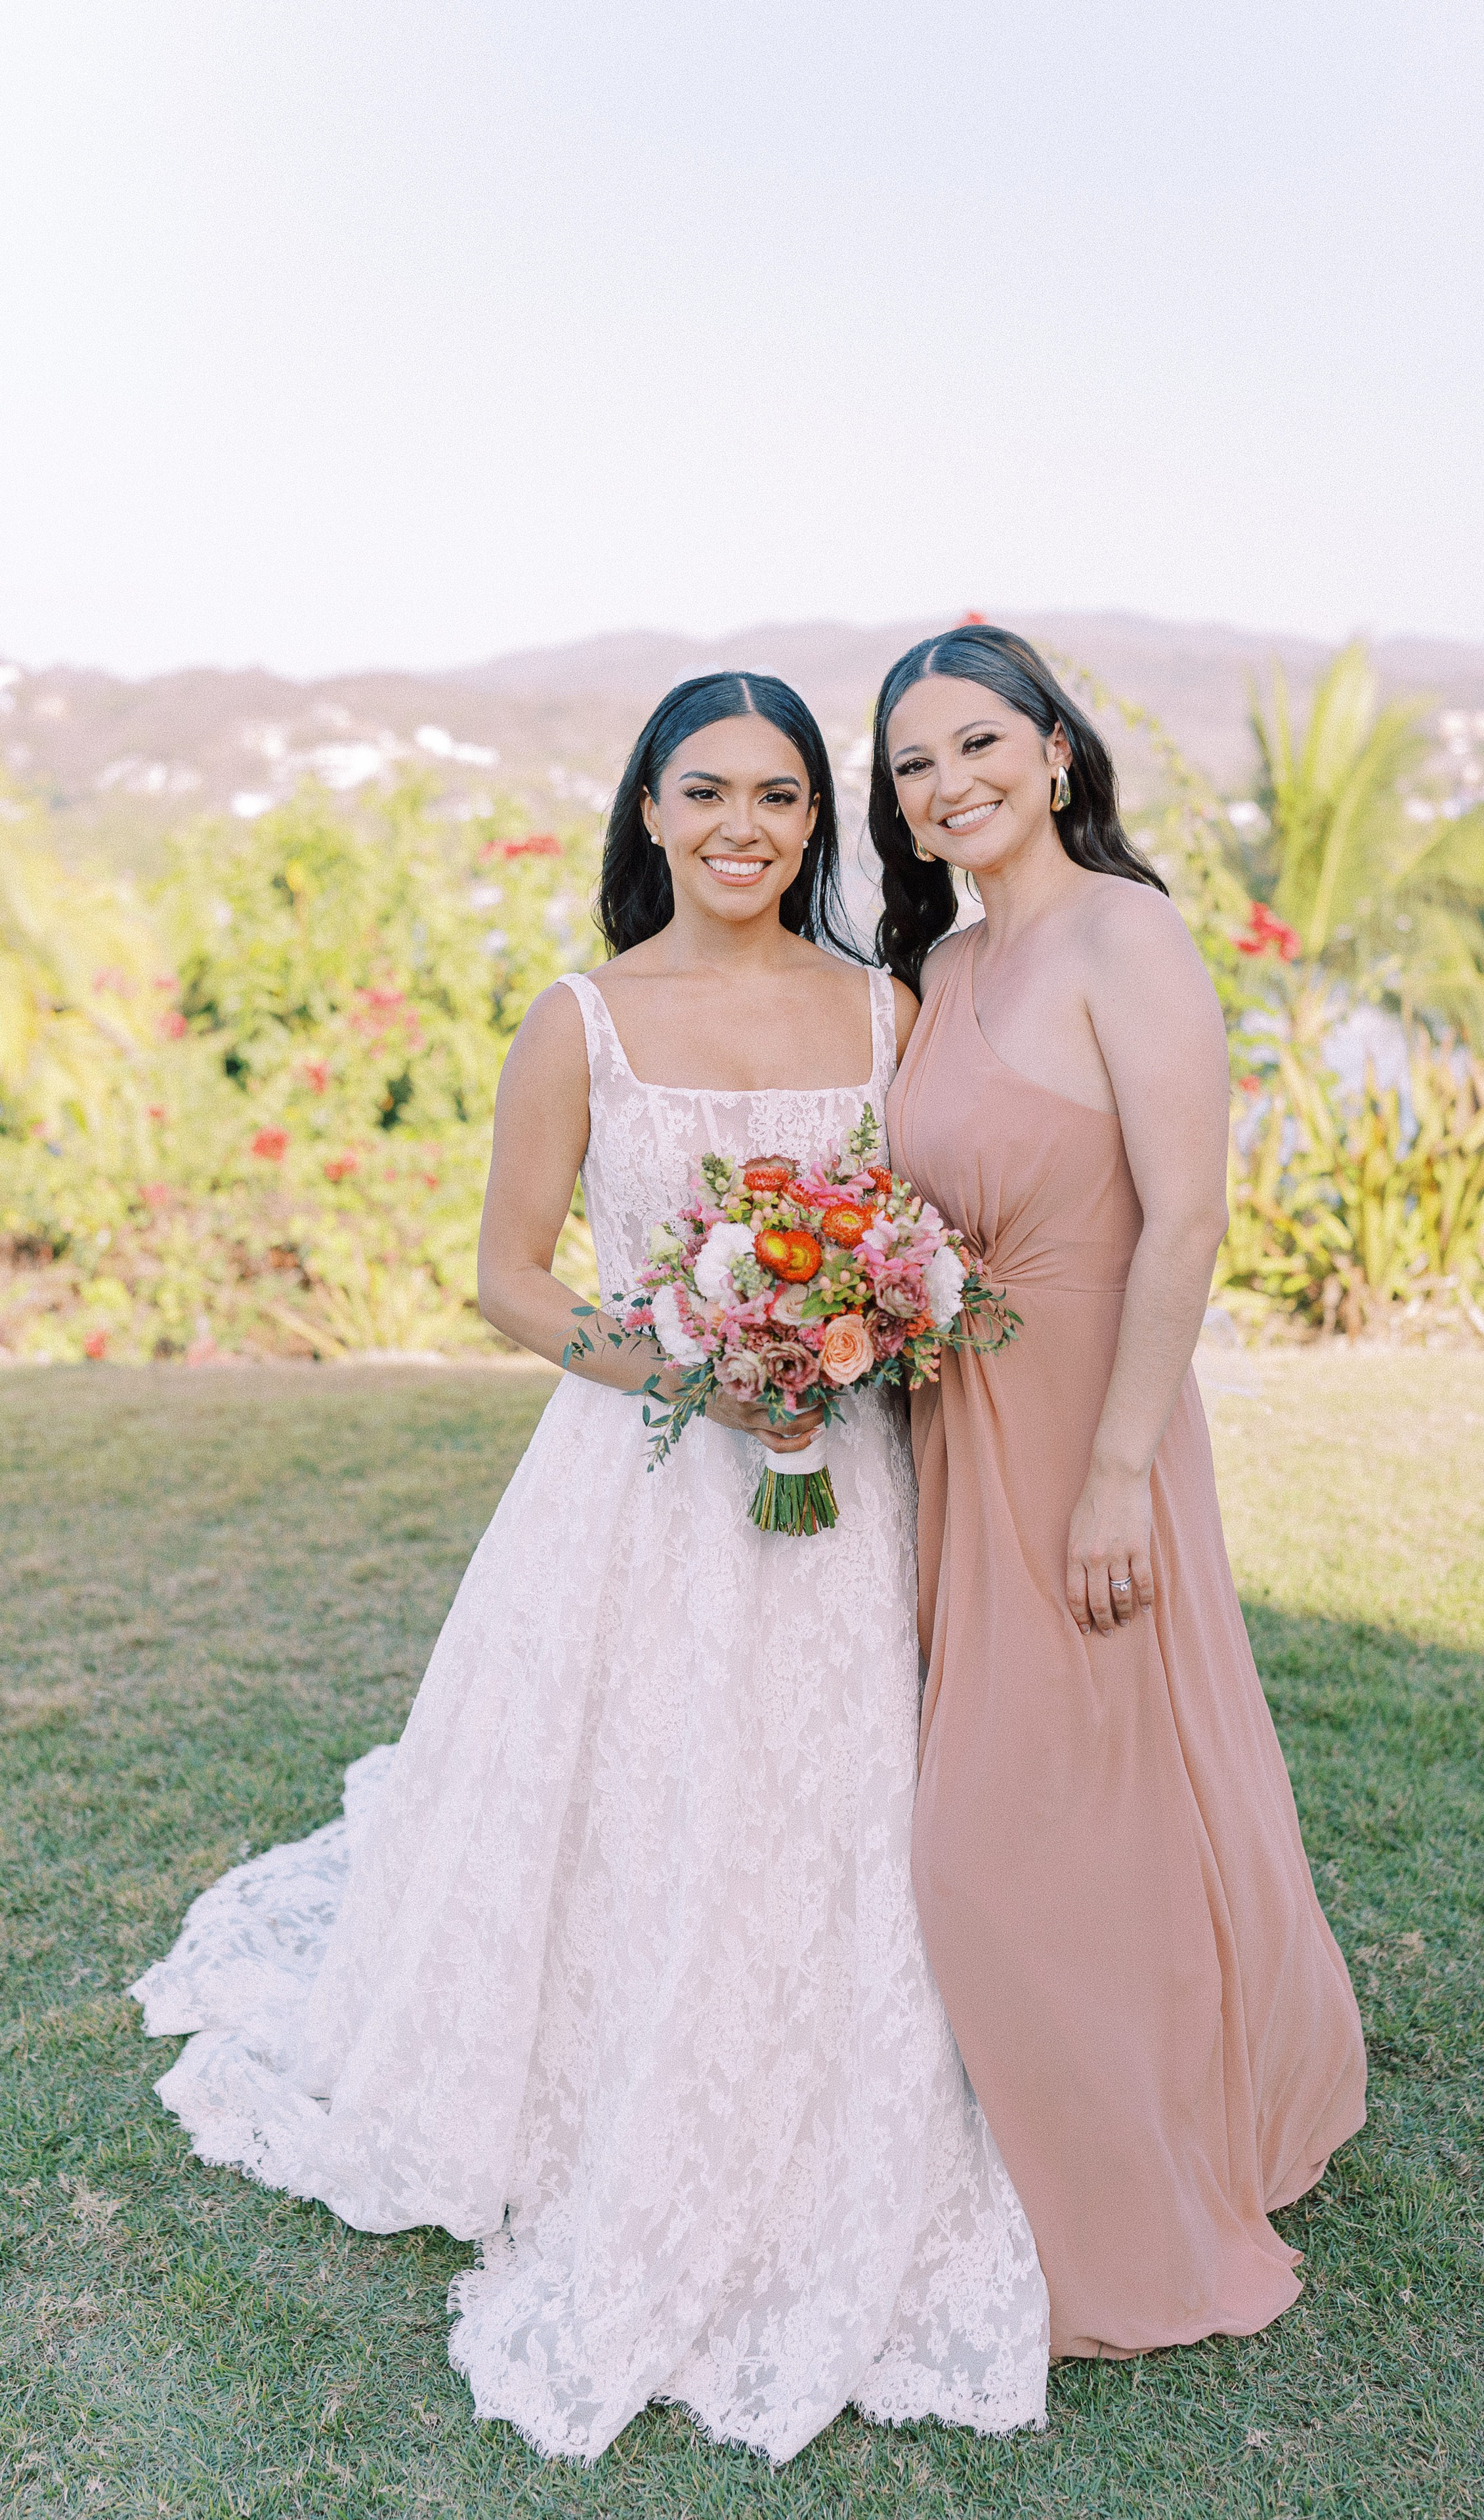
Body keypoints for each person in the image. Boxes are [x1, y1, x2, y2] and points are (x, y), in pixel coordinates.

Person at [132, 670, 1049, 2462]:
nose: (742, 828)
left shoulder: (889, 1007)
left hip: (848, 1487)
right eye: (704, 792)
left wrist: (847, 1335)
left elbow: (934, 1224)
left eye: (781, 798)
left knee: (839, 1813)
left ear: (819, 822)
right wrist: (705, 1371)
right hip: (640, 1482)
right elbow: (514, 1277)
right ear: (646, 810)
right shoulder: (580, 1020)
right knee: (626, 1802)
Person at [876, 623, 1367, 2364]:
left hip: (1095, 1426)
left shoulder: (1124, 934)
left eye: (980, 742)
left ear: (1057, 750)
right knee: (1049, 1803)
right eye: (917, 761)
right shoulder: (940, 967)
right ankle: (1064, 2122)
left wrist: (1113, 1480)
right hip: (955, 1424)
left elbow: (1189, 1217)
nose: (952, 782)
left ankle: (1134, 2172)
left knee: (1013, 1832)